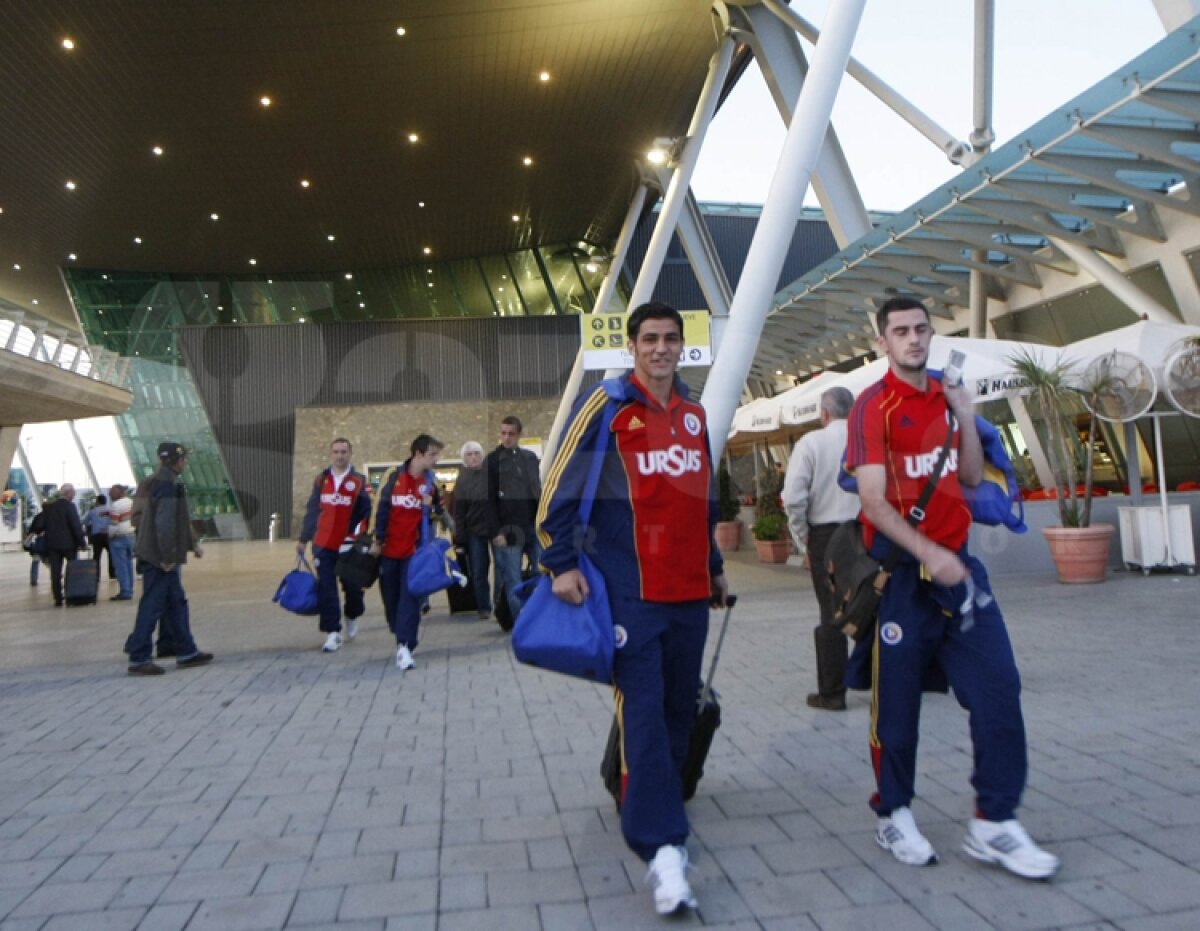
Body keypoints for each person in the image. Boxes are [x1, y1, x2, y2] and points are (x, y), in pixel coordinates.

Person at [844, 295, 1058, 879]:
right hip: (903, 579)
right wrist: (929, 553)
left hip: (960, 574)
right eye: (901, 331)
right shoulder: (872, 406)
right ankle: (893, 812)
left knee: (998, 690)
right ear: (883, 342)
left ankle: (994, 820)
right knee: (896, 710)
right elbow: (872, 502)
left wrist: (964, 415)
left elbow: (967, 477)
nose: (913, 339)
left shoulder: (947, 395)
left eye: (921, 329)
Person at [538, 301, 727, 917]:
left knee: (677, 712)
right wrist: (559, 562)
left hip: (689, 595)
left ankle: (652, 802)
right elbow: (558, 487)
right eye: (650, 339)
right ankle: (662, 849)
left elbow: (702, 501)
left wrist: (715, 567)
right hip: (629, 596)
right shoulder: (608, 406)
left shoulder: (695, 416)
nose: (661, 348)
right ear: (632, 345)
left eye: (671, 338)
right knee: (643, 713)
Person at [782, 387, 861, 712]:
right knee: (873, 604)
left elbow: (793, 497)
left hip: (826, 536)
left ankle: (832, 692)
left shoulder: (811, 443)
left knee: (831, 612)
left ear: (824, 413)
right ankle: (886, 679)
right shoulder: (867, 439)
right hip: (867, 530)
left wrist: (803, 538)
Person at [124, 442, 213, 675]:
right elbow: (164, 523)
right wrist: (167, 556)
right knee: (152, 605)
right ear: (178, 461)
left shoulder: (157, 482)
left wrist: (192, 544)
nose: (185, 463)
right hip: (159, 557)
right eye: (184, 459)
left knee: (176, 603)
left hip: (157, 553)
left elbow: (176, 520)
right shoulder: (166, 485)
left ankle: (186, 651)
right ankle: (139, 657)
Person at [371, 434, 446, 670]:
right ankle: (399, 632)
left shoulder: (431, 483)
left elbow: (440, 513)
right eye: (432, 454)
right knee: (390, 597)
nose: (436, 459)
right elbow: (380, 508)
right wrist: (377, 539)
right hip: (389, 548)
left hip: (414, 551)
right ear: (418, 454)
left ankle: (405, 645)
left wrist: (430, 508)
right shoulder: (394, 476)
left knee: (409, 597)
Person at [297, 438, 372, 653]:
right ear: (331, 454)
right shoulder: (322, 480)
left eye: (343, 452)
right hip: (323, 544)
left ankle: (352, 613)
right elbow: (313, 510)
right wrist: (303, 539)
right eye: (336, 452)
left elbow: (367, 512)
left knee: (353, 587)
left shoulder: (359, 481)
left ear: (350, 453)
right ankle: (332, 632)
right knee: (327, 588)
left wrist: (363, 537)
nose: (340, 456)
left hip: (349, 545)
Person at [485, 415, 542, 622]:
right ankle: (520, 622)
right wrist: (495, 532)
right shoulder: (492, 461)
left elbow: (537, 490)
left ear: (519, 435)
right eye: (503, 433)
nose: (507, 437)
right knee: (512, 578)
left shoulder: (530, 458)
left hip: (532, 525)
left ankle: (537, 617)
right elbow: (488, 500)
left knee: (541, 572)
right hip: (508, 529)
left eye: (511, 434)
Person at [452, 440, 493, 618]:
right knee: (478, 570)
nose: (474, 457)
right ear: (464, 458)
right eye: (469, 455)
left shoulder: (491, 474)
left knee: (503, 568)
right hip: (474, 530)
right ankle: (484, 606)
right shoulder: (462, 479)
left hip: (495, 527)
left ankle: (502, 604)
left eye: (476, 453)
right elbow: (459, 510)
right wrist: (460, 537)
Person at [39, 484, 86, 607]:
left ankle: (58, 598)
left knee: (55, 572)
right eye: (73, 492)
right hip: (69, 544)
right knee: (72, 570)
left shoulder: (50, 507)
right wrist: (82, 543)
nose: (74, 494)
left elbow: (42, 525)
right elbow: (75, 525)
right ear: (68, 493)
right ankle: (72, 595)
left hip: (53, 545)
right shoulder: (70, 506)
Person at [106, 484, 136, 600]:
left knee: (120, 566)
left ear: (118, 493)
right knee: (129, 564)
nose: (110, 495)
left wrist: (109, 535)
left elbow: (114, 525)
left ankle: (125, 591)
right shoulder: (131, 502)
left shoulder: (116, 505)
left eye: (112, 493)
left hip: (118, 538)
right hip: (131, 536)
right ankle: (130, 589)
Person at [83, 494, 114, 581]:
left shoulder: (92, 511)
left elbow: (85, 521)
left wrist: (93, 523)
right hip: (108, 534)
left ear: (98, 501)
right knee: (111, 554)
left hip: (97, 536)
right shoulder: (111, 510)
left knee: (97, 556)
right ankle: (112, 574)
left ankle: (96, 576)